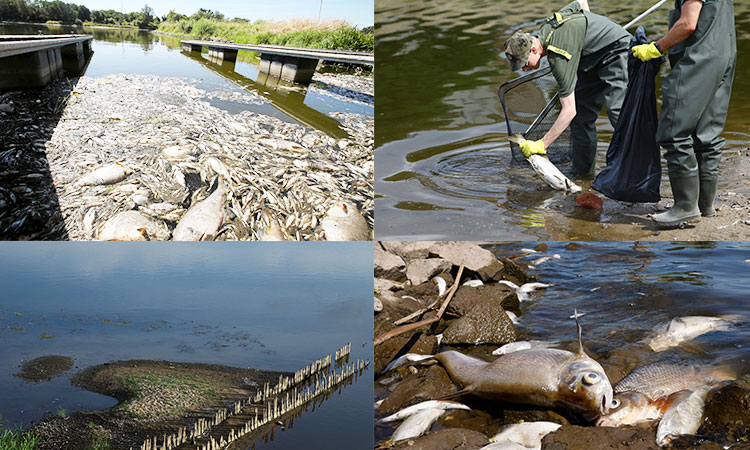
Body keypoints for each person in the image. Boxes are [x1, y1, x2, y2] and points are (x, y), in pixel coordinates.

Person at [632, 0, 736, 226]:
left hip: (699, 59)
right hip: (723, 55)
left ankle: (685, 207)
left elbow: (688, 24)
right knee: (706, 134)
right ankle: (704, 206)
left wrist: (656, 47)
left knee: (674, 131)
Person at [504, 0, 630, 175]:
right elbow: (580, 2)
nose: (524, 69)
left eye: (524, 63)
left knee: (617, 111)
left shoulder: (557, 57)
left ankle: (640, 167)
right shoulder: (545, 29)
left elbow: (569, 111)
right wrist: (583, 36)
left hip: (616, 50)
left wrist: (541, 144)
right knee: (581, 119)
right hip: (590, 59)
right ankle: (583, 174)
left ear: (533, 50)